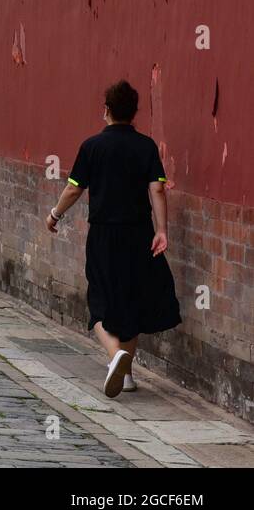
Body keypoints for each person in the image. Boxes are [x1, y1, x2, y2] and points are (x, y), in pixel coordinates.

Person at [45, 80, 181, 398]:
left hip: (105, 234)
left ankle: (114, 356)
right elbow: (157, 189)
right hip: (139, 233)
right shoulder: (146, 146)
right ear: (134, 113)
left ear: (106, 110)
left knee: (100, 302)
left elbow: (75, 188)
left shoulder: (92, 146)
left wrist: (54, 215)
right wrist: (162, 230)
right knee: (131, 299)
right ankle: (127, 374)